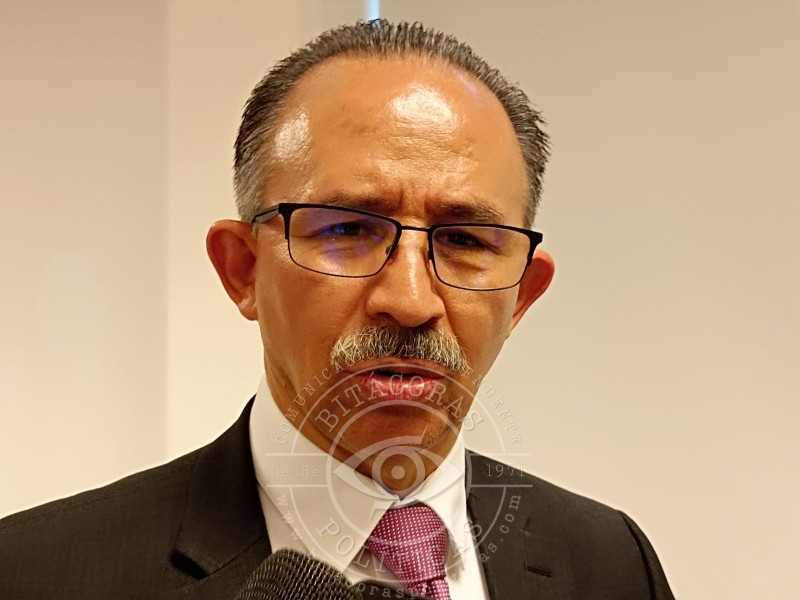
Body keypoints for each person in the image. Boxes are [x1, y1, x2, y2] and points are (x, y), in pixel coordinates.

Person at [0, 20, 674, 599]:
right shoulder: (37, 575)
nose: (409, 302)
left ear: (523, 293)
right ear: (242, 269)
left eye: (466, 241)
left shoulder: (611, 564)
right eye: (349, 230)